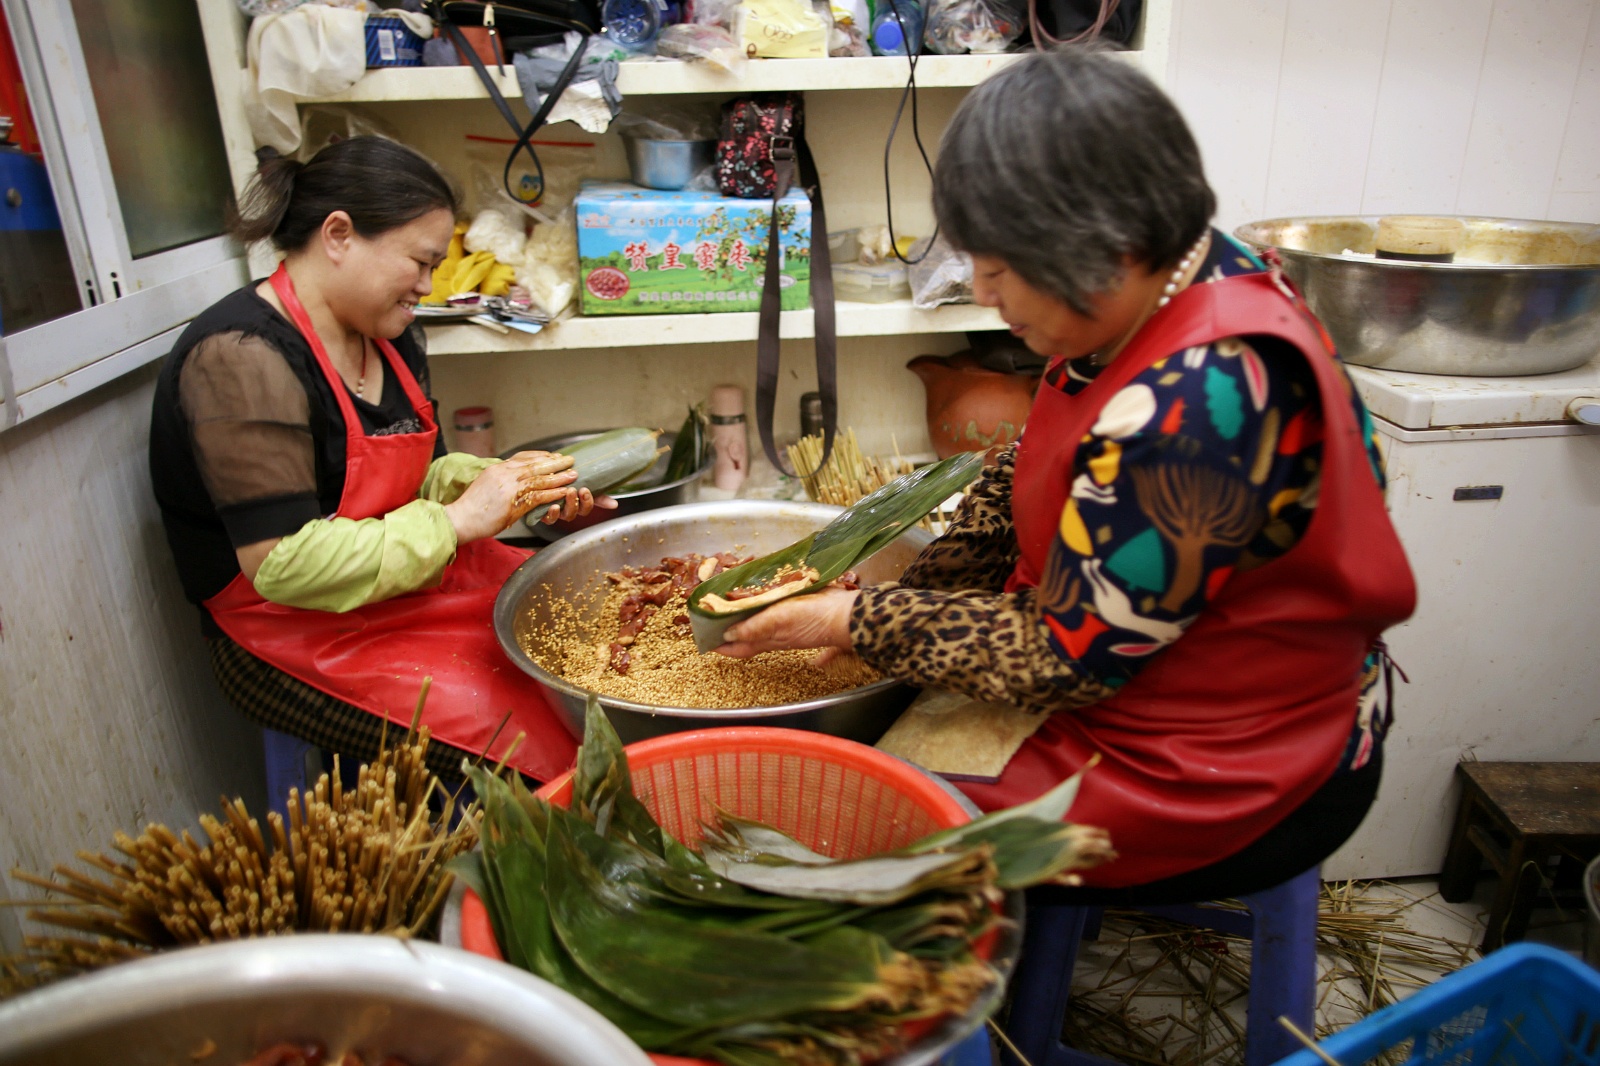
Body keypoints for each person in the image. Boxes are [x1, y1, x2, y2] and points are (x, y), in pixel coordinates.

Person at [715, 50, 1417, 902]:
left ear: (1105, 247)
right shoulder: (1162, 285)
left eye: (1001, 268)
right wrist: (912, 588)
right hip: (1156, 678)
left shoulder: (1200, 398)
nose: (981, 291)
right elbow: (1033, 467)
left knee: (843, 811)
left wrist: (858, 619)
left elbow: (1069, 658)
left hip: (1227, 759)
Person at [150, 136, 611, 783]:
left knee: (598, 632)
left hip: (407, 587)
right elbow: (279, 566)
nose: (426, 288)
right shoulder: (240, 356)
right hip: (290, 633)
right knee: (539, 739)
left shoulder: (388, 332)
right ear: (338, 235)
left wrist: (514, 487)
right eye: (420, 263)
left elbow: (418, 474)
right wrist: (457, 523)